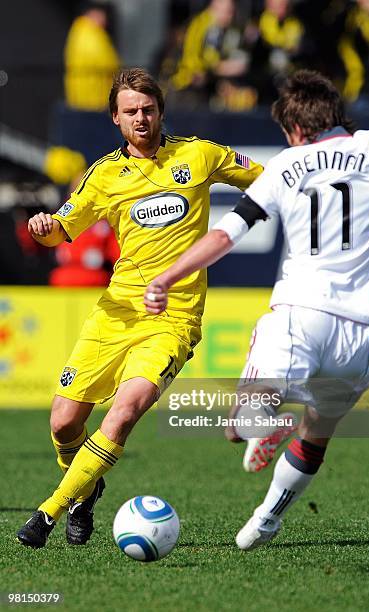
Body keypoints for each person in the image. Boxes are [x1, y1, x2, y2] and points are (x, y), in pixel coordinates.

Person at [143, 69, 369, 551]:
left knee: (236, 425)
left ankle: (264, 419)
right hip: (362, 335)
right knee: (318, 434)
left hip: (299, 315)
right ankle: (265, 520)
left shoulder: (287, 165)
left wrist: (165, 276)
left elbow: (225, 234)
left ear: (296, 131)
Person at [16, 67, 263, 549]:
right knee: (64, 420)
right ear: (115, 118)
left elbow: (269, 179)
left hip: (173, 319)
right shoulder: (105, 174)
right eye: (130, 111)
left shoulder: (199, 155)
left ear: (161, 111)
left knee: (124, 411)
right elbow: (63, 226)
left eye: (148, 109)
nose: (141, 118)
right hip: (115, 313)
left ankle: (48, 511)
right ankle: (86, 493)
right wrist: (44, 226)